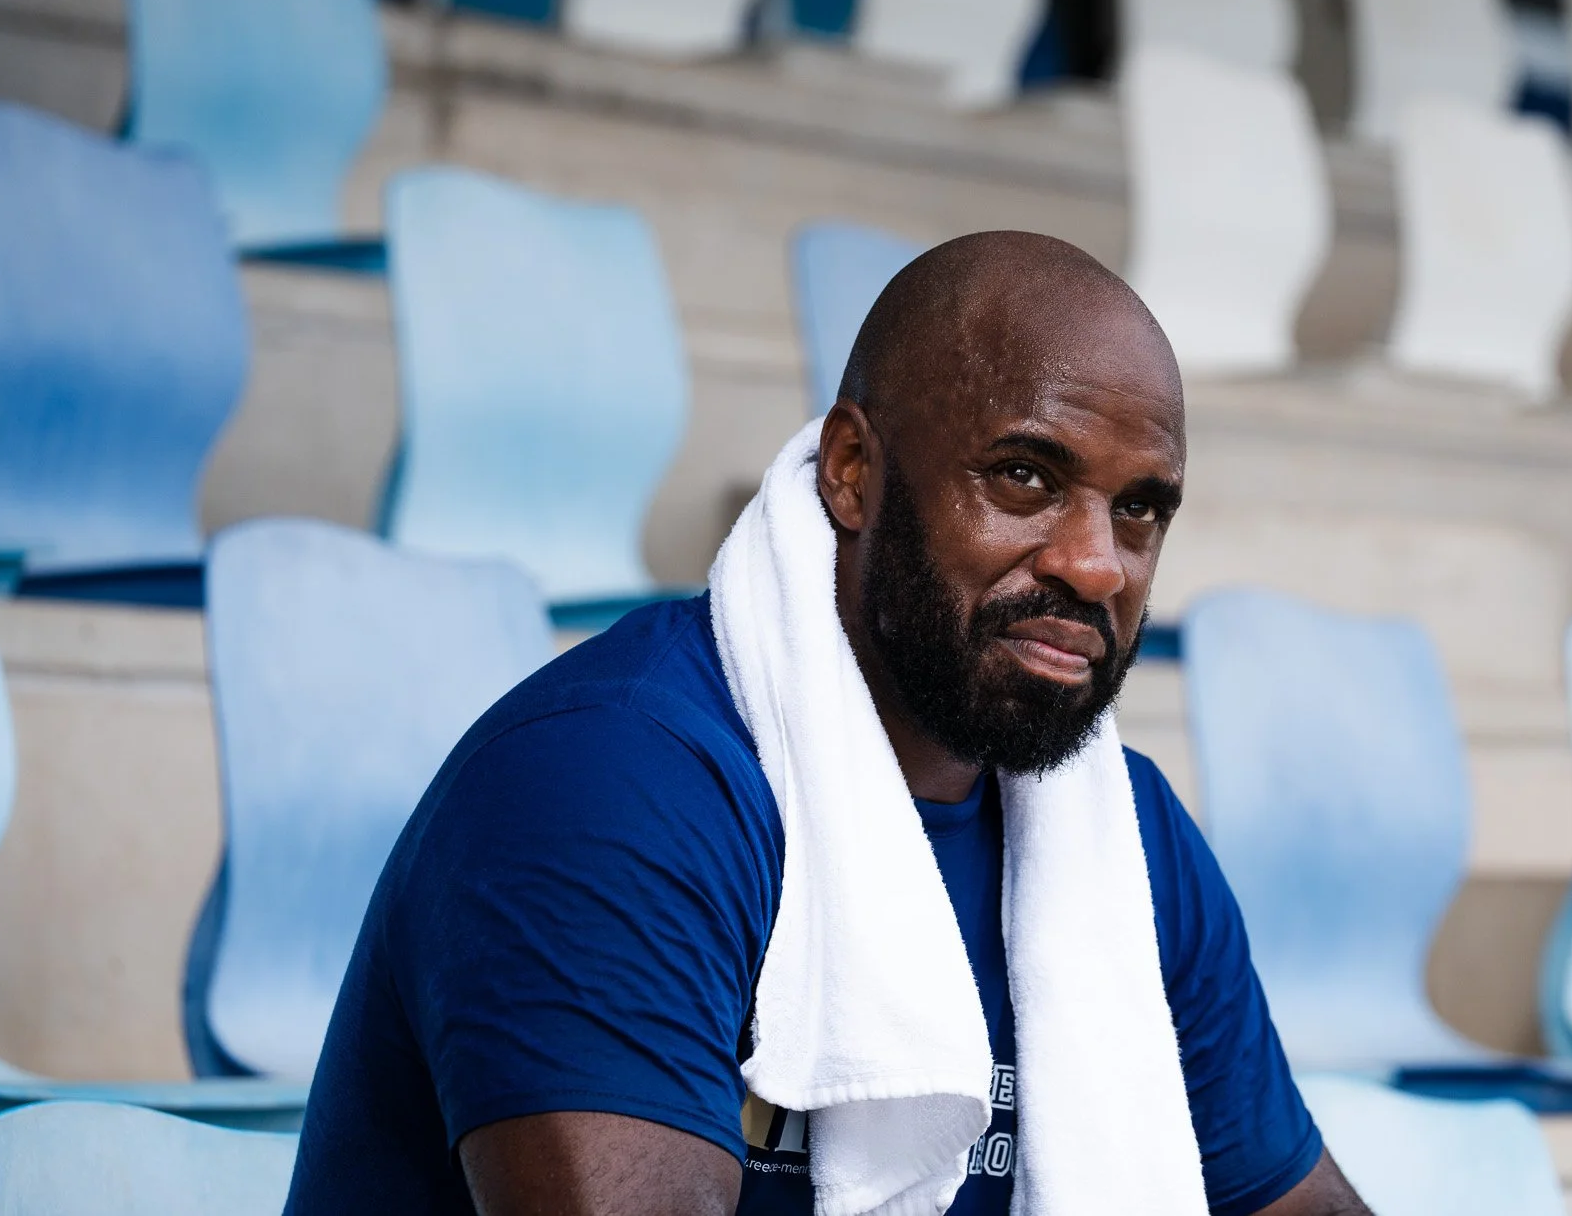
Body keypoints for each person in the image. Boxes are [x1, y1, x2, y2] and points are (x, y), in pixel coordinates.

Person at [285, 231, 1373, 1216]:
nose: (1095, 564)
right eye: (1024, 477)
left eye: (1137, 508)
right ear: (853, 473)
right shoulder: (606, 785)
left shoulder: (1126, 841)